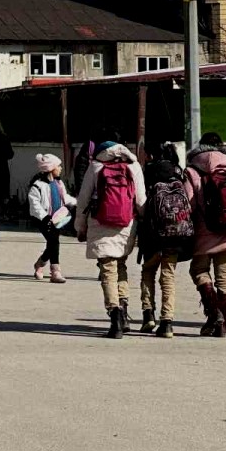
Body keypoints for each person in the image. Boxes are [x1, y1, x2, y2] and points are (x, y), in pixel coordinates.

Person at [75, 131, 146, 339]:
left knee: (107, 269)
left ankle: (114, 314)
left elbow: (83, 199)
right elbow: (141, 199)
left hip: (100, 221)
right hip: (127, 221)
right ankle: (123, 309)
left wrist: (80, 227)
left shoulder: (96, 166)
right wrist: (141, 221)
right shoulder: (133, 165)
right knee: (121, 265)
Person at [184, 132, 226, 339]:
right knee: (225, 276)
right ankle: (225, 323)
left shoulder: (192, 170)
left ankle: (214, 313)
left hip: (204, 232)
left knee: (198, 270)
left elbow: (189, 203)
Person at [138, 141, 193, 338]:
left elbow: (141, 203)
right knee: (168, 276)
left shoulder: (148, 172)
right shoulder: (179, 172)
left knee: (148, 271)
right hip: (176, 234)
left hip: (152, 234)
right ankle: (167, 322)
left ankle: (148, 314)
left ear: (151, 155)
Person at [28, 153, 75, 284]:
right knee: (54, 241)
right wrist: (44, 217)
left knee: (52, 242)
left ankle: (39, 263)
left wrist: (77, 202)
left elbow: (65, 198)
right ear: (50, 168)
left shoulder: (59, 183)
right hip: (43, 220)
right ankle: (55, 271)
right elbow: (35, 204)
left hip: (58, 218)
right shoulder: (37, 186)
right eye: (58, 166)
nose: (60, 168)